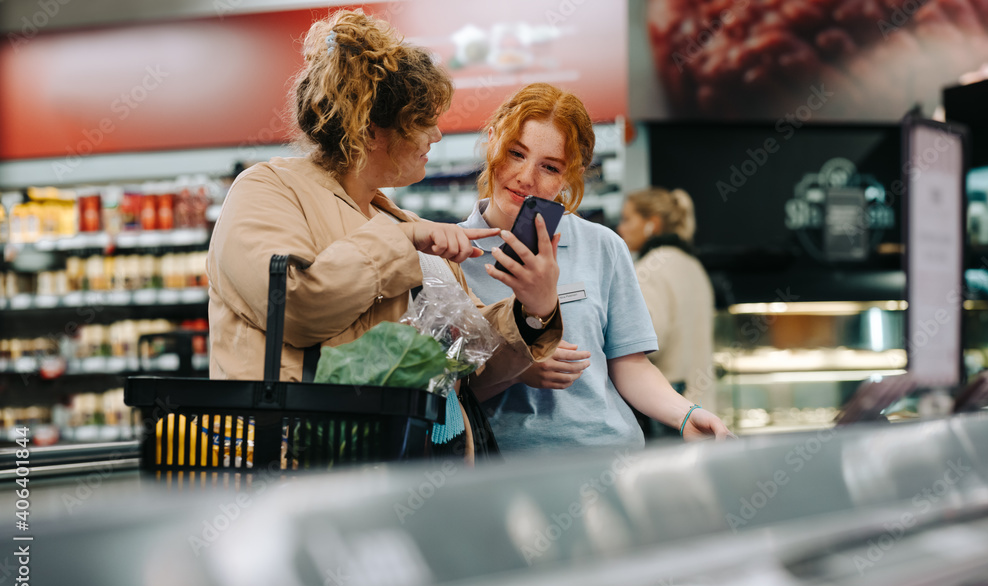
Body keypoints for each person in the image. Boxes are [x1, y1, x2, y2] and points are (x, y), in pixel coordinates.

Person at [205, 11, 563, 450]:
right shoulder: (268, 189)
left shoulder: (401, 221)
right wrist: (402, 242)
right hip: (302, 462)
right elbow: (297, 305)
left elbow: (471, 361)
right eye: (422, 121)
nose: (435, 135)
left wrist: (533, 311)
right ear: (371, 130)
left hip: (416, 466)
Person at [458, 83, 731, 450]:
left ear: (573, 174)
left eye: (550, 167)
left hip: (609, 461)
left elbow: (629, 365)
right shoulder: (449, 254)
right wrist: (520, 367)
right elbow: (449, 389)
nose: (526, 177)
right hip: (508, 470)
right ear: (492, 140)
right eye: (515, 153)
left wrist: (684, 415)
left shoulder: (602, 246)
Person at [618, 188, 717, 414]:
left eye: (627, 219)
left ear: (651, 223)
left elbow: (646, 344)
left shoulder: (648, 269)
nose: (620, 228)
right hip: (701, 407)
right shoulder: (693, 265)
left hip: (669, 410)